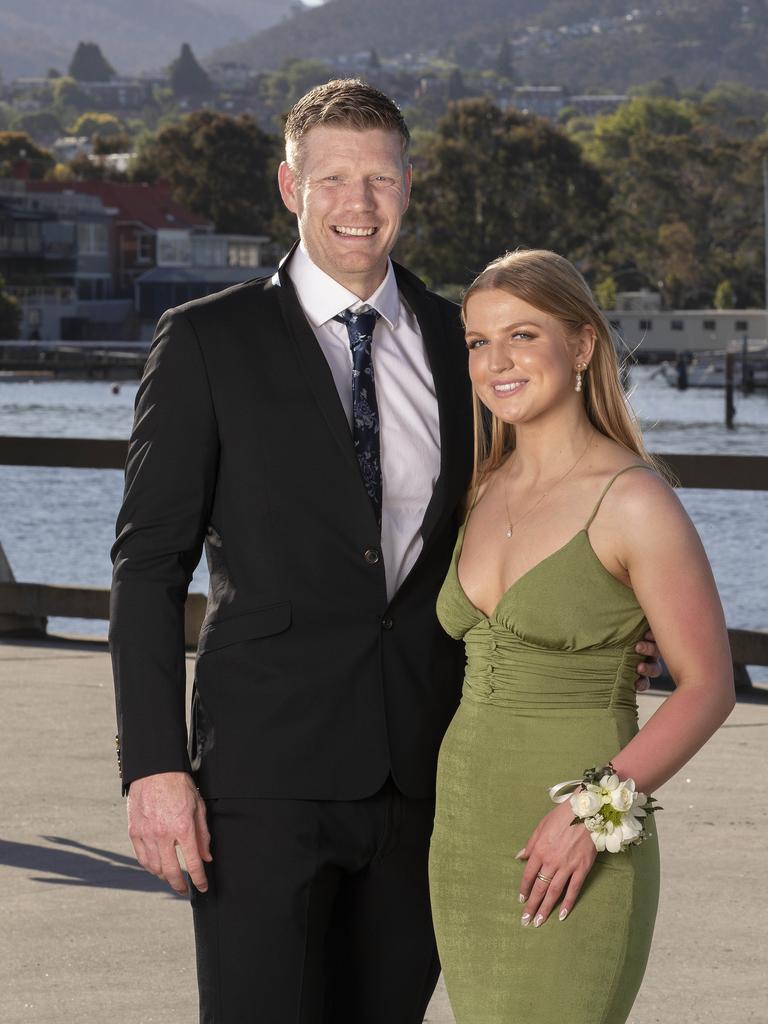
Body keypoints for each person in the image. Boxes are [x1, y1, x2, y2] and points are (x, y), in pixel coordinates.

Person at [109, 81, 661, 1023]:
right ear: (291, 187)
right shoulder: (206, 341)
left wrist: (616, 619)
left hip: (429, 771)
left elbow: (541, 506)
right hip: (262, 776)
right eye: (331, 179)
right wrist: (153, 769)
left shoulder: (466, 346)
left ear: (410, 185)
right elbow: (147, 570)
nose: (356, 204)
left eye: (378, 178)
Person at [428, 249, 736, 1024]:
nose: (496, 362)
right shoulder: (478, 485)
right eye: (477, 341)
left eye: (523, 336)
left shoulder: (634, 501)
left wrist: (589, 815)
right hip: (463, 835)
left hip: (580, 839)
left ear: (583, 345)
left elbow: (708, 689)